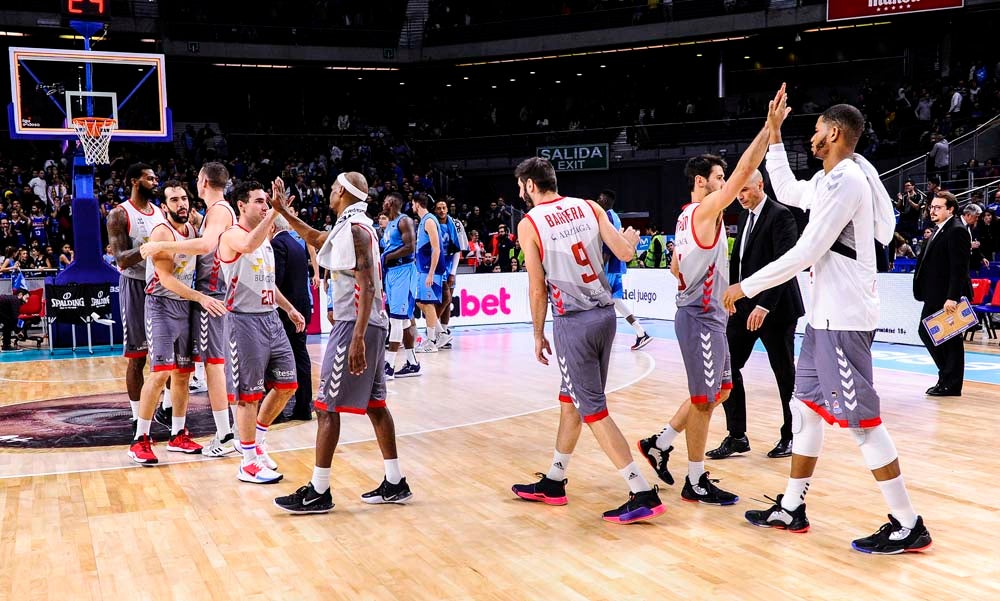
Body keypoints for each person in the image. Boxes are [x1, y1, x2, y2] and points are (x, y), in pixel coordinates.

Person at [723, 101, 932, 554]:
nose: (812, 135)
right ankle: (792, 507)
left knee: (862, 423)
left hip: (843, 317)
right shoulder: (830, 179)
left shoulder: (849, 181)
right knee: (803, 408)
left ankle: (908, 522)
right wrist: (773, 133)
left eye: (817, 129)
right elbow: (792, 190)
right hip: (823, 318)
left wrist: (744, 287)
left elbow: (804, 252)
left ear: (834, 133)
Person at [636, 85, 782, 507]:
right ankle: (695, 480)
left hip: (709, 314)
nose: (727, 186)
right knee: (704, 400)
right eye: (719, 180)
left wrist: (716, 287)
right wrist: (768, 129)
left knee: (720, 392)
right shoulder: (702, 211)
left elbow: (677, 267)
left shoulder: (685, 217)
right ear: (701, 183)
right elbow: (743, 172)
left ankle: (660, 442)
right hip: (700, 319)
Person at [510, 157, 664, 524]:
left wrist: (536, 332)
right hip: (605, 317)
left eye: (520, 186)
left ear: (531, 185)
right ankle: (554, 480)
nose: (519, 192)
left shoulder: (529, 224)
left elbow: (536, 287)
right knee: (571, 401)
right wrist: (629, 238)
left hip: (573, 324)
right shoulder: (589, 207)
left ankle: (641, 490)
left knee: (593, 409)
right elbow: (627, 253)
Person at [272, 172, 412, 513]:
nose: (330, 194)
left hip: (356, 325)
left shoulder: (355, 230)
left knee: (325, 407)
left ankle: (319, 490)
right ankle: (395, 481)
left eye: (334, 189)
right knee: (376, 405)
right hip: (368, 324)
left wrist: (358, 338)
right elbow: (317, 238)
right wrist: (285, 213)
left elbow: (366, 283)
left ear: (344, 194)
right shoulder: (353, 225)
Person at [141, 162, 269, 457]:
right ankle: (191, 427)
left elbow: (207, 244)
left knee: (214, 364)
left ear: (202, 182)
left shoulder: (219, 210)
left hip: (209, 293)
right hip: (204, 295)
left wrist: (157, 248)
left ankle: (224, 433)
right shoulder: (213, 213)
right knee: (196, 368)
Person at [128, 181, 228, 464]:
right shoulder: (161, 232)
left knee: (183, 374)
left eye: (184, 199)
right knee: (160, 373)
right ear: (164, 206)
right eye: (174, 200)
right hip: (161, 306)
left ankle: (177, 434)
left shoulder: (193, 230)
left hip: (184, 307)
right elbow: (167, 279)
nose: (181, 204)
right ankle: (140, 439)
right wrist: (201, 298)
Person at [707, 169, 803, 461]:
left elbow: (785, 265)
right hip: (745, 306)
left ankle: (793, 437)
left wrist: (765, 306)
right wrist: (734, 296)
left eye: (746, 191)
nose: (740, 197)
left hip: (777, 309)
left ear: (760, 185)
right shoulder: (744, 216)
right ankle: (737, 436)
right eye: (737, 192)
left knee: (784, 374)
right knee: (728, 368)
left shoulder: (781, 215)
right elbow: (741, 263)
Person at [217, 180, 304, 484]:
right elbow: (247, 245)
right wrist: (276, 212)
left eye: (267, 202)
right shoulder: (230, 234)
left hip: (271, 319)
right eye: (259, 201)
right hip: (243, 322)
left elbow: (266, 280)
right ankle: (248, 461)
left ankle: (258, 441)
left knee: (288, 385)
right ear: (241, 205)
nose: (265, 206)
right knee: (247, 396)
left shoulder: (264, 239)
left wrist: (289, 308)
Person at [106, 163, 165, 429]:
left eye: (155, 178)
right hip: (134, 286)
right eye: (149, 178)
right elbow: (120, 259)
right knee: (137, 356)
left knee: (167, 355)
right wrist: (150, 248)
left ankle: (167, 408)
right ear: (134, 181)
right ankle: (135, 413)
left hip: (161, 284)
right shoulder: (119, 214)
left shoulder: (160, 213)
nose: (155, 181)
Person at [913, 191, 971, 397]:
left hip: (946, 297)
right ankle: (945, 377)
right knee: (928, 333)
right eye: (931, 207)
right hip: (933, 295)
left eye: (938, 207)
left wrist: (953, 297)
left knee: (950, 340)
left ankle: (951, 383)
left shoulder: (956, 230)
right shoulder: (938, 229)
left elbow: (959, 268)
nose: (932, 210)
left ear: (950, 209)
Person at [596, 189, 651, 350]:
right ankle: (641, 332)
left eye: (600, 198)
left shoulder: (607, 216)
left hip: (610, 265)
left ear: (606, 201)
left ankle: (604, 338)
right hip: (616, 264)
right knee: (615, 300)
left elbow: (608, 245)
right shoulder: (614, 216)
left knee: (602, 300)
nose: (597, 200)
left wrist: (601, 266)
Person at [272, 215, 315, 421]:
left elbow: (276, 282)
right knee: (300, 355)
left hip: (286, 310)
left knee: (277, 358)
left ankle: (277, 411)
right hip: (303, 306)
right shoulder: (297, 244)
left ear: (272, 226)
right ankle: (304, 406)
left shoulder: (276, 244)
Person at [381, 191, 421, 379]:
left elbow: (410, 247)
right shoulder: (389, 225)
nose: (383, 203)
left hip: (404, 271)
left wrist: (387, 257)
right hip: (392, 273)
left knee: (396, 319)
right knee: (404, 321)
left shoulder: (404, 221)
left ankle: (388, 365)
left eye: (385, 201)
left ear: (392, 203)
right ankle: (413, 363)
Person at [413, 193, 446, 352]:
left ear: (417, 204)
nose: (412, 207)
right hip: (423, 268)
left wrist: (432, 273)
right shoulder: (423, 221)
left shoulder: (430, 221)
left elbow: (436, 248)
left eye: (413, 204)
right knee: (420, 302)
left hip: (429, 269)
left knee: (427, 303)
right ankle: (441, 333)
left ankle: (431, 342)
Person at [435, 199, 466, 349]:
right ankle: (435, 329)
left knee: (447, 301)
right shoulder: (432, 224)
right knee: (440, 299)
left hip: (449, 266)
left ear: (447, 209)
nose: (441, 210)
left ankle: (444, 329)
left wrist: (453, 272)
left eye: (444, 208)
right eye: (439, 208)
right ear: (435, 211)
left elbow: (457, 250)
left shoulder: (455, 224)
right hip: (436, 266)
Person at [0, 288, 29, 352]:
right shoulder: (16, 300)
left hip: (2, 311)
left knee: (8, 323)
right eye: (27, 298)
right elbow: (15, 317)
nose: (27, 301)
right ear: (20, 295)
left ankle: (6, 345)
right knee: (9, 323)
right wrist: (18, 331)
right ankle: (6, 346)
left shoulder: (13, 299)